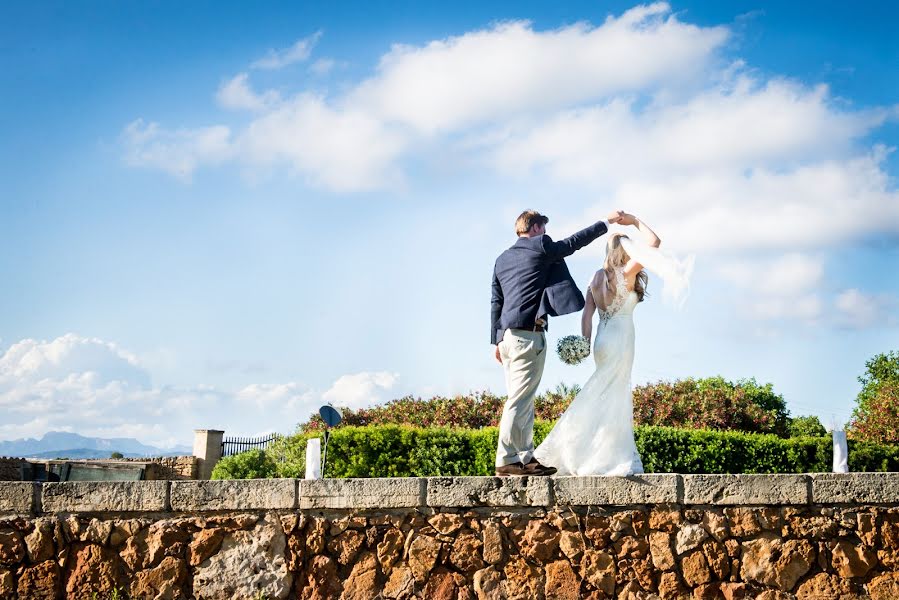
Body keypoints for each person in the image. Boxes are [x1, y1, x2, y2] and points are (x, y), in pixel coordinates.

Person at [534, 212, 686, 476]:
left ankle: (582, 447)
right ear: (625, 250)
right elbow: (655, 243)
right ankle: (609, 457)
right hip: (620, 339)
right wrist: (634, 220)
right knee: (615, 396)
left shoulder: (596, 278)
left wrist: (584, 342)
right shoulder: (626, 274)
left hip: (602, 341)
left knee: (600, 392)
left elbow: (587, 315)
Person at [491, 209, 625, 476]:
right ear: (538, 228)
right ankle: (506, 460)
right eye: (545, 229)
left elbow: (496, 301)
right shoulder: (540, 246)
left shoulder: (502, 258)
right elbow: (573, 243)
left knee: (523, 401)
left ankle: (525, 458)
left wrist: (497, 341)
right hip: (528, 337)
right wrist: (606, 222)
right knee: (518, 401)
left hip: (507, 338)